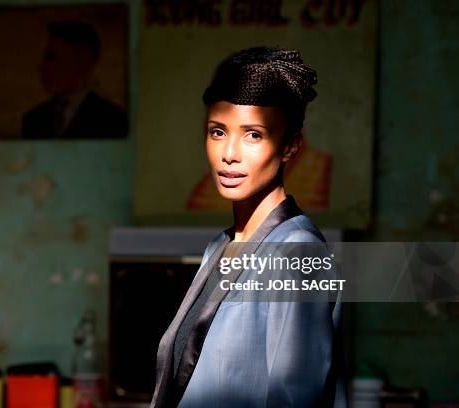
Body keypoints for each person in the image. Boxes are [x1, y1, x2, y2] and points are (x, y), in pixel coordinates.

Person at [151, 47, 347, 407]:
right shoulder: (220, 246)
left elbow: (296, 398)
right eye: (217, 131)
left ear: (290, 146)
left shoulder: (298, 253)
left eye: (253, 135)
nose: (230, 153)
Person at [22, 21, 128, 139]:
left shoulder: (112, 120)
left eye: (52, 57)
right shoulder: (33, 120)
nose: (42, 67)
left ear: (81, 62)